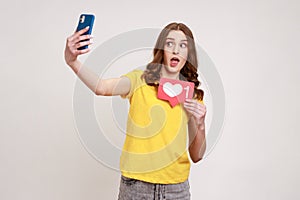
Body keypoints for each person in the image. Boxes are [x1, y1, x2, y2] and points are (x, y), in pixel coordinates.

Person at [65, 22, 207, 200]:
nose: (176, 50)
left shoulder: (192, 95)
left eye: (183, 45)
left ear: (189, 53)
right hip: (137, 188)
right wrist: (72, 62)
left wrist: (200, 124)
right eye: (170, 43)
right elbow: (101, 87)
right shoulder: (139, 80)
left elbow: (197, 156)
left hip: (176, 189)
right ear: (162, 49)